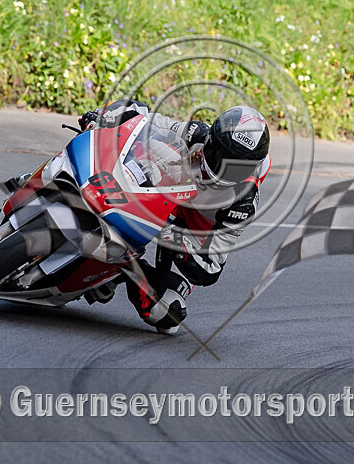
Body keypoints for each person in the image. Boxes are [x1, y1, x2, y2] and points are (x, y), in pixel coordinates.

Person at [79, 99, 271, 334]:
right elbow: (146, 120)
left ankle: (121, 269)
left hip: (188, 229)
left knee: (167, 312)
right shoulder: (196, 134)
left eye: (236, 167)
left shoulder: (243, 203)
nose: (223, 169)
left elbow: (211, 268)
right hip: (167, 189)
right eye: (221, 155)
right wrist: (106, 117)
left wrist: (178, 242)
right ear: (212, 140)